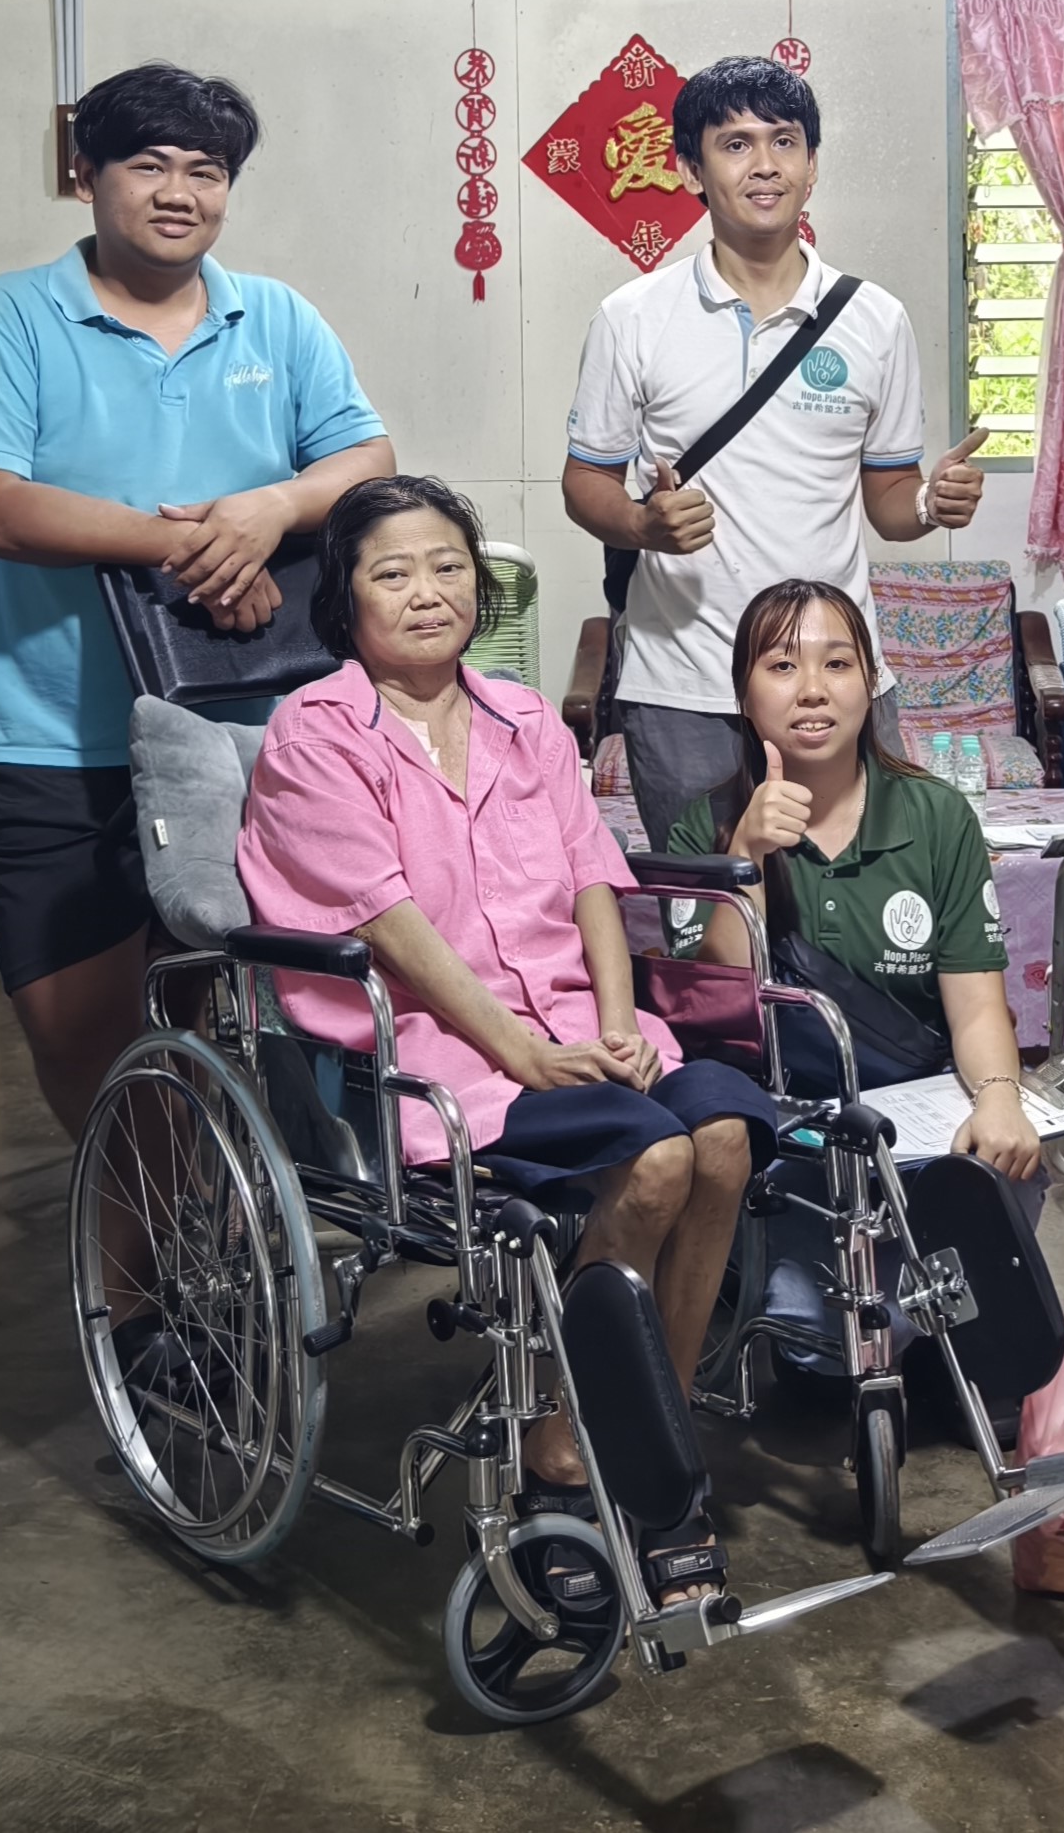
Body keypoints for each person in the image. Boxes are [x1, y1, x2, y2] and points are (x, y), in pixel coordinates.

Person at [237, 476, 774, 1604]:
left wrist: (617, 1022)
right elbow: (392, 927)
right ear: (345, 599)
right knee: (655, 1160)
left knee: (724, 1136)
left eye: (448, 566)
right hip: (444, 1062)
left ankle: (655, 1433)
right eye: (392, 572)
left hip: (580, 1029)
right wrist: (524, 1055)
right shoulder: (316, 735)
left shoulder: (528, 719)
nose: (428, 591)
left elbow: (593, 881)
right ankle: (560, 1449)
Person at [0, 63, 395, 1140]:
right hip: (48, 737)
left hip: (242, 734)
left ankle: (182, 1234)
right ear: (85, 172)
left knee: (210, 1000)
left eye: (206, 170)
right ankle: (144, 1231)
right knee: (80, 1035)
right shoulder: (5, 317)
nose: (179, 192)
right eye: (148, 164)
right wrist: (195, 544)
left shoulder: (276, 318)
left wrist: (271, 507)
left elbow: (366, 460)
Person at [562, 54, 988, 849]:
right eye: (735, 144)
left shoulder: (874, 320)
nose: (764, 165)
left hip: (835, 679)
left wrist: (931, 503)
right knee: (710, 906)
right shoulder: (633, 316)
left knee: (860, 899)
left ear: (811, 164)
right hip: (684, 682)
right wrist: (642, 524)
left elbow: (889, 501)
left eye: (784, 141)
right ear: (690, 169)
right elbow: (584, 480)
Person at [666, 578, 1044, 1428]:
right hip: (786, 1130)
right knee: (818, 1372)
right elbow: (718, 1018)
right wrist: (746, 857)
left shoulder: (936, 816)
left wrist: (998, 1098)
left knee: (1003, 1164)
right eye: (780, 665)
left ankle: (938, 1337)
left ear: (870, 683)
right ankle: (836, 1326)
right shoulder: (705, 827)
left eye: (836, 663)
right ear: (742, 693)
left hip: (913, 1114)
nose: (811, 689)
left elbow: (976, 1007)